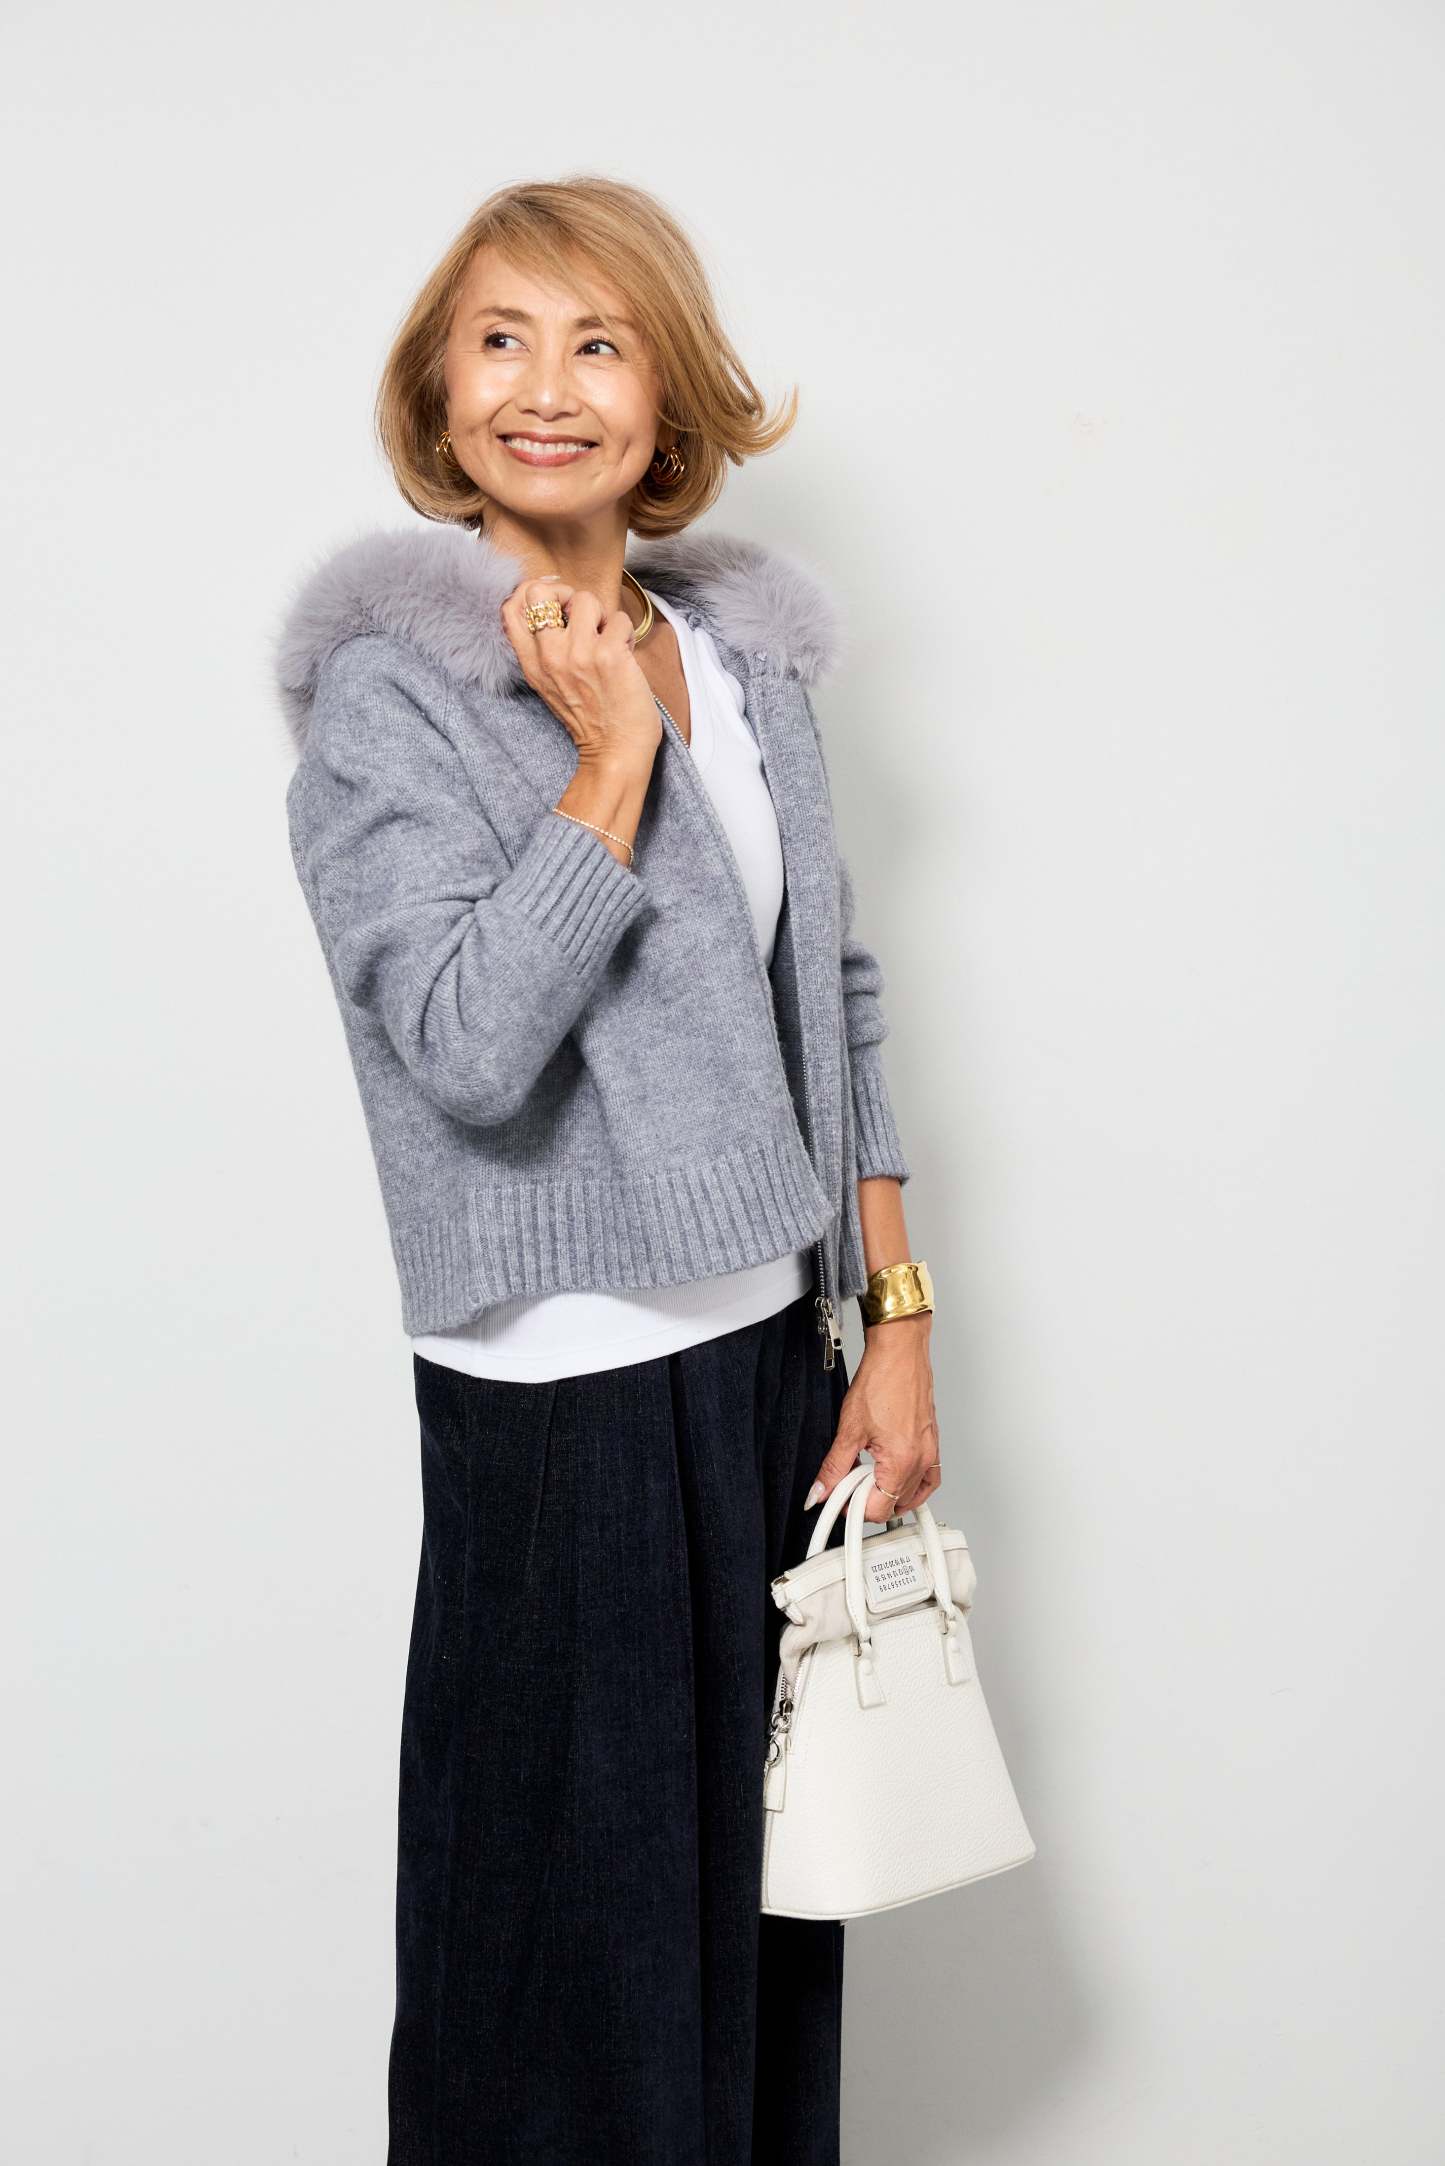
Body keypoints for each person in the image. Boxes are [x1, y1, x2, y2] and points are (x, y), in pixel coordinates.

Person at [273, 173, 941, 2166]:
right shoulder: (392, 692)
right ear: (437, 387)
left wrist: (892, 1320)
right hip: (562, 1404)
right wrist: (604, 766)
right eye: (499, 340)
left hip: (771, 1375)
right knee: (561, 1994)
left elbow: (830, 986)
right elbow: (463, 1047)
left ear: (668, 398)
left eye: (598, 342)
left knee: (755, 1957)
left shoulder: (733, 650)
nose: (544, 388)